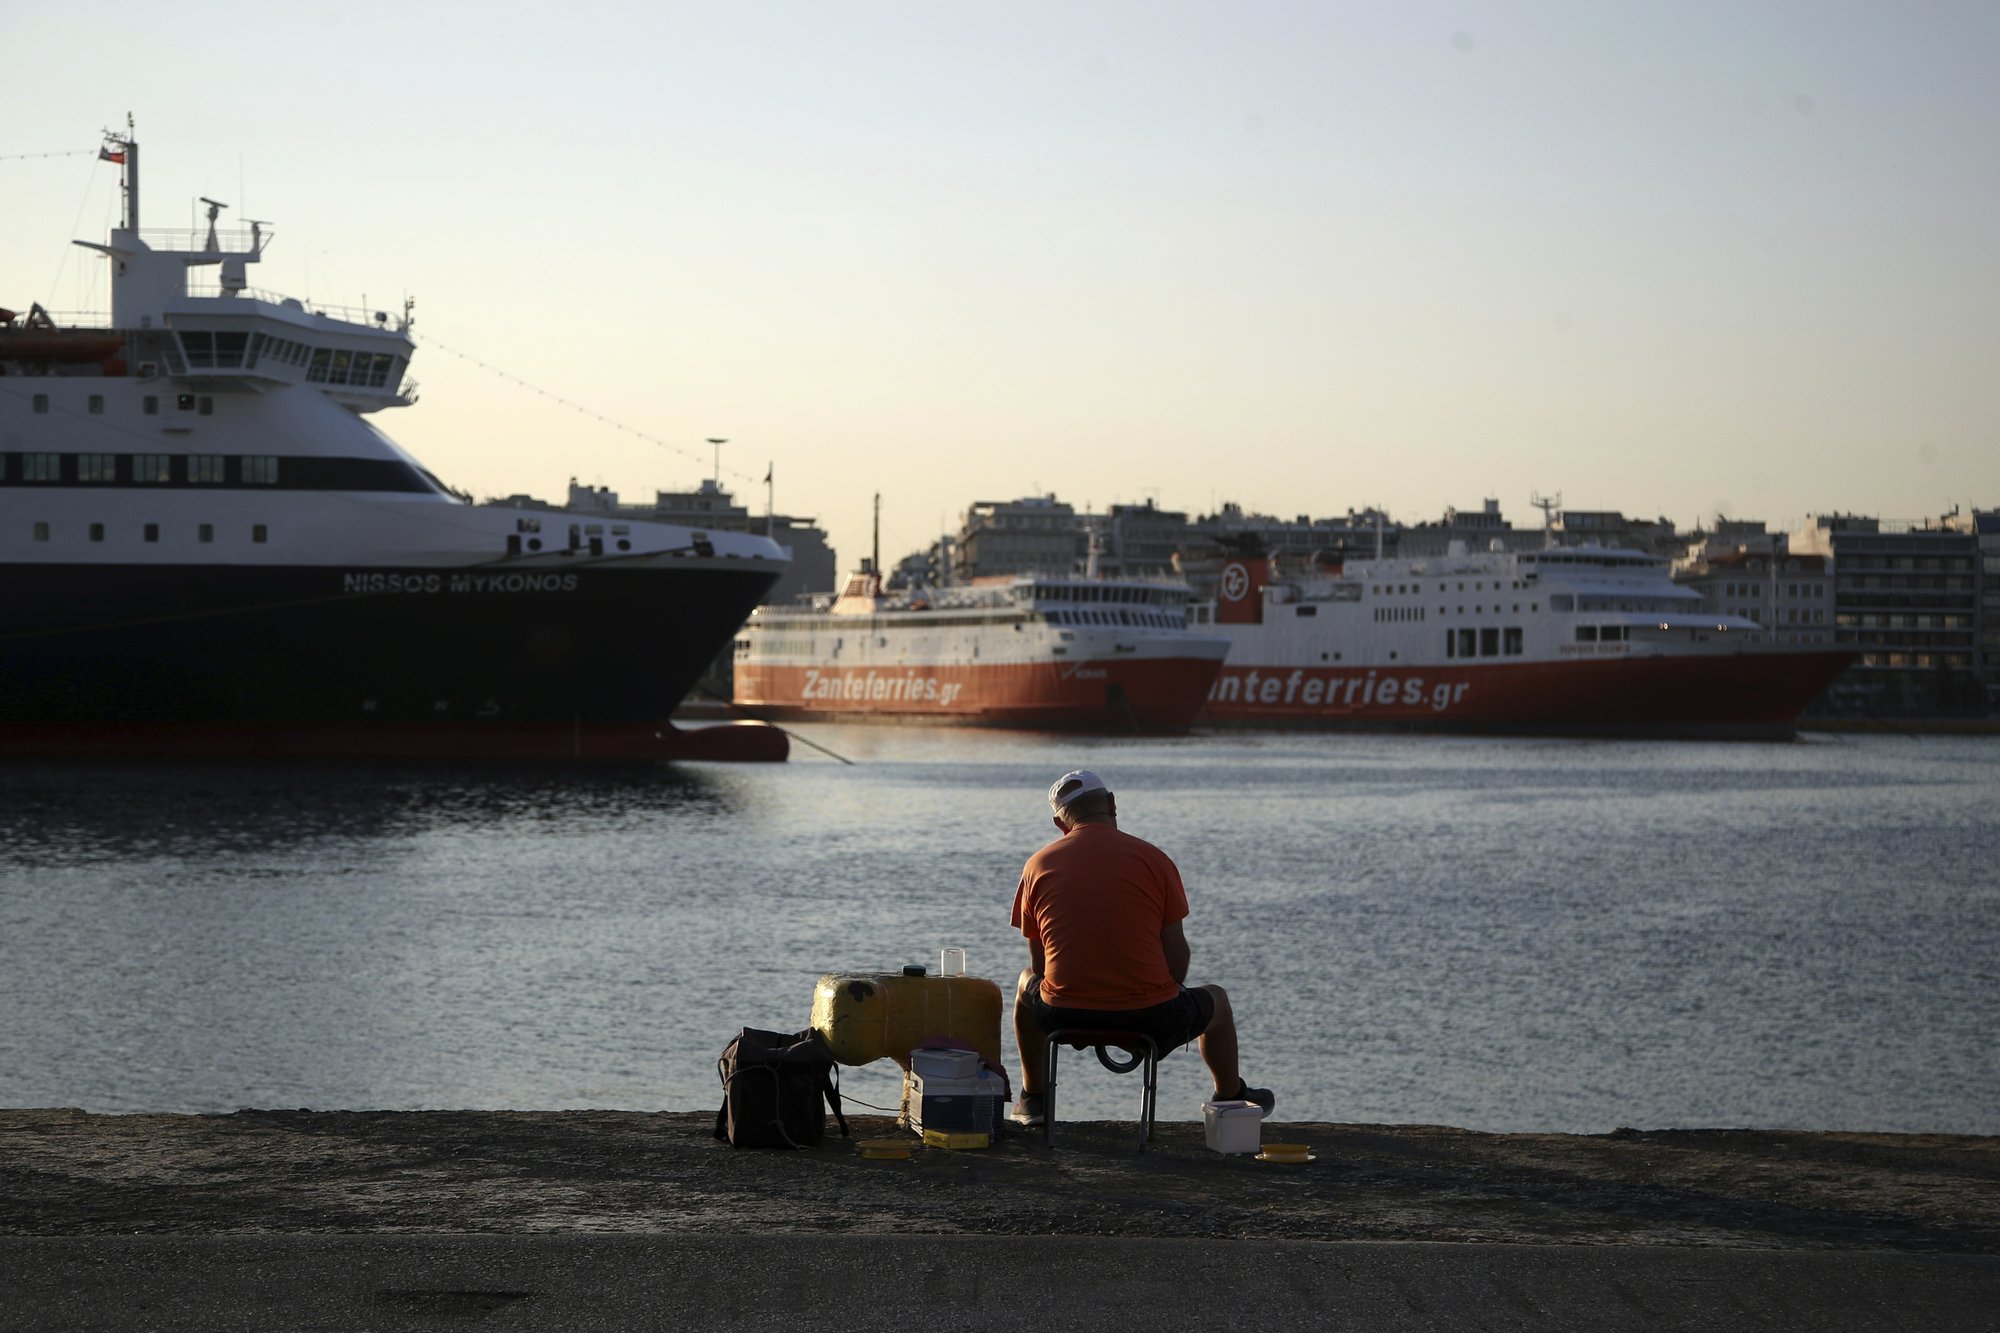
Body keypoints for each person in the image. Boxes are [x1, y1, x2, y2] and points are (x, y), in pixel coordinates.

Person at [1008, 769, 1272, 1127]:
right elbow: (1178, 958)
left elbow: (1040, 965)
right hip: (1151, 1016)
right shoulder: (1154, 859)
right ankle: (1228, 1098)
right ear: (1112, 803)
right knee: (1218, 1001)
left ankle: (1034, 1098)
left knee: (1026, 983)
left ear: (1060, 823)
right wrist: (1157, 994)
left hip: (1064, 1016)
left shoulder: (1037, 865)